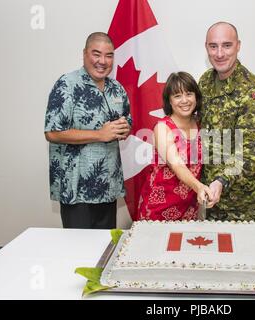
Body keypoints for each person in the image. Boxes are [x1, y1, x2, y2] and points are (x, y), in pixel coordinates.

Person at [44, 32, 132, 229]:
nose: (103, 61)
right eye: (96, 54)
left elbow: (126, 120)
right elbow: (52, 132)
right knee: (78, 252)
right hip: (77, 190)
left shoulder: (116, 88)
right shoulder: (67, 84)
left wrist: (124, 128)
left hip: (108, 186)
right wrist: (100, 135)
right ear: (84, 54)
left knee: (103, 249)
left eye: (109, 55)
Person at [198, 21, 255, 222]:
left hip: (248, 206)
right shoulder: (205, 82)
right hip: (214, 201)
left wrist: (221, 180)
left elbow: (251, 152)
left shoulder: (252, 90)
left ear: (238, 46)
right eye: (213, 46)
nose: (219, 53)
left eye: (227, 45)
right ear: (206, 47)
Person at [137, 72, 214, 221]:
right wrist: (199, 187)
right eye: (177, 96)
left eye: (189, 94)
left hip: (189, 208)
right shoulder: (162, 128)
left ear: (196, 97)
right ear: (169, 101)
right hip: (159, 208)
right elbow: (177, 165)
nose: (184, 100)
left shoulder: (200, 124)